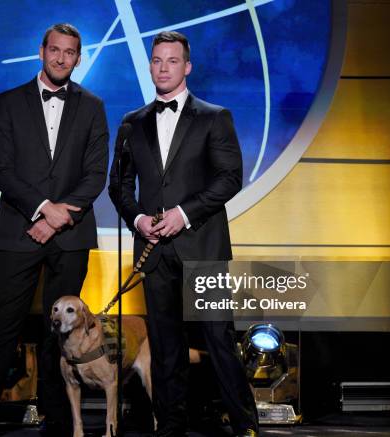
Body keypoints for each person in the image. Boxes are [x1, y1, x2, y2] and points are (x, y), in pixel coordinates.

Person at [108, 31, 258, 437]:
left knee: (218, 337)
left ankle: (245, 423)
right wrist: (138, 219)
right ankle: (170, 425)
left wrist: (183, 214)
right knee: (164, 343)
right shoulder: (131, 123)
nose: (163, 67)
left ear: (187, 67)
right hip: (153, 250)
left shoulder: (214, 117)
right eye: (157, 60)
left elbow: (230, 178)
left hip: (203, 246)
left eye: (172, 61)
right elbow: (119, 186)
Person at [0, 23, 109, 437]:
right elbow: (2, 171)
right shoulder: (8, 102)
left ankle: (57, 419)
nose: (62, 58)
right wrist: (45, 212)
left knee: (60, 333)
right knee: (5, 327)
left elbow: (95, 174)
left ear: (79, 58)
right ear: (41, 51)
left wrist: (61, 218)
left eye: (70, 52)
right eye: (55, 50)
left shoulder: (93, 106)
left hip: (72, 236)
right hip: (19, 232)